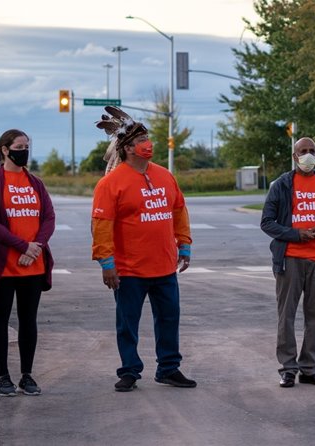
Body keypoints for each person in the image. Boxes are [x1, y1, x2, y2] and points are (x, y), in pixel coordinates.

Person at [91, 106, 195, 392]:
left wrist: (184, 245)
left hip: (164, 267)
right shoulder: (110, 184)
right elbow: (101, 225)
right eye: (140, 141)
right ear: (127, 149)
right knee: (127, 324)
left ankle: (169, 368)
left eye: (147, 138)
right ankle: (129, 371)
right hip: (129, 270)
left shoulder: (164, 175)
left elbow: (179, 210)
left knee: (169, 319)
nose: (147, 144)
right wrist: (106, 263)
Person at [261, 137, 315, 388]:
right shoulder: (282, 185)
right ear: (294, 156)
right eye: (303, 151)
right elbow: (267, 222)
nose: (308, 155)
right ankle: (288, 368)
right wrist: (296, 234)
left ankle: (309, 368)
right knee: (286, 315)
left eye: (312, 151)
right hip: (291, 259)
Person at [0, 129, 55, 396]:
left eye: (27, 146)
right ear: (6, 150)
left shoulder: (36, 183)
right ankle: (3, 377)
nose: (25, 150)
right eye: (20, 146)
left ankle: (27, 375)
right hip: (3, 265)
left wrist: (35, 248)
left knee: (28, 320)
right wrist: (23, 246)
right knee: (0, 317)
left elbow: (48, 218)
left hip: (32, 265)